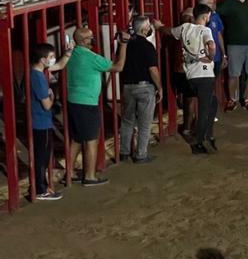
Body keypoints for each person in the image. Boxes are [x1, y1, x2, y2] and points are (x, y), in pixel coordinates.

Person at [66, 27, 129, 186]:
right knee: (91, 140)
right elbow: (118, 67)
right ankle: (90, 176)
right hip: (88, 103)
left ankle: (70, 172)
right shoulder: (91, 57)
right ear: (83, 41)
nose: (93, 39)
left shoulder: (72, 54)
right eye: (90, 37)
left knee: (77, 139)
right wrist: (123, 44)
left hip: (73, 101)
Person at [168, 4, 218, 155]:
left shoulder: (184, 28)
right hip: (204, 76)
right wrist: (210, 56)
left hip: (190, 76)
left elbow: (168, 31)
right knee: (204, 109)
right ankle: (201, 141)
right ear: (205, 16)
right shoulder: (205, 30)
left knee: (212, 103)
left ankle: (206, 135)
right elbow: (211, 44)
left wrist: (158, 26)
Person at [29, 43, 72, 200]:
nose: (53, 59)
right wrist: (53, 97)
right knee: (42, 157)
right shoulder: (38, 78)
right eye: (51, 57)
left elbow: (60, 65)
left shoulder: (38, 72)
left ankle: (42, 187)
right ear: (42, 60)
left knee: (42, 156)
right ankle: (40, 190)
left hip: (40, 121)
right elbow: (47, 105)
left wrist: (67, 53)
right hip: (41, 122)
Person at [119, 16, 162, 163]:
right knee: (144, 123)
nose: (150, 28)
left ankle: (124, 152)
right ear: (144, 29)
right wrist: (159, 87)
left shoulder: (126, 44)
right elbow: (153, 70)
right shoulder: (147, 46)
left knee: (127, 120)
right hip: (144, 87)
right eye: (149, 25)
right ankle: (141, 154)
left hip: (127, 86)